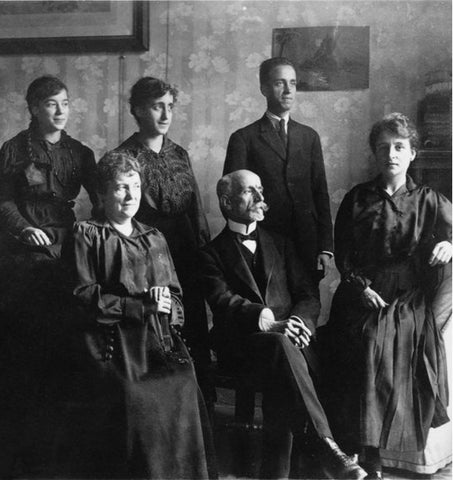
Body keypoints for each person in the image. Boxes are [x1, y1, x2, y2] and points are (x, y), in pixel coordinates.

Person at [56, 152, 216, 479]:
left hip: (156, 339)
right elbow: (82, 295)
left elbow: (175, 293)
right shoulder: (86, 234)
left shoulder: (154, 237)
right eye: (120, 188)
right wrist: (139, 306)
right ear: (101, 194)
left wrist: (168, 304)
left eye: (136, 186)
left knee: (184, 383)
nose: (131, 196)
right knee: (134, 394)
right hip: (109, 342)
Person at [199, 169, 366, 479]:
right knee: (279, 348)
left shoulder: (282, 243)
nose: (262, 199)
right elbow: (222, 301)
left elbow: (307, 294)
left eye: (262, 190)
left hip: (291, 343)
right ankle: (327, 449)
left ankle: (280, 472)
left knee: (311, 354)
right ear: (226, 201)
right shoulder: (210, 253)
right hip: (241, 345)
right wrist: (268, 321)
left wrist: (300, 324)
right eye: (251, 192)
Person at [324, 113, 451, 479]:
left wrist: (447, 243)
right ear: (375, 154)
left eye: (399, 147)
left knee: (376, 339)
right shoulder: (358, 198)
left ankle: (371, 455)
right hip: (362, 290)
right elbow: (344, 253)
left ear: (412, 153)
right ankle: (346, 448)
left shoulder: (427, 198)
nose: (391, 154)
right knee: (348, 338)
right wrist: (359, 286)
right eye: (384, 148)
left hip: (407, 295)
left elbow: (452, 231)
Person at [0, 75, 97, 476]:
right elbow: (2, 201)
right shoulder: (12, 151)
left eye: (65, 103)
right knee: (33, 310)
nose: (60, 111)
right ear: (34, 108)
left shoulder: (80, 152)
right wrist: (23, 228)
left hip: (67, 235)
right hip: (23, 241)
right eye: (51, 104)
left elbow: (102, 198)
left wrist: (100, 233)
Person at [113, 76, 212, 399]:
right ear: (139, 110)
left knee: (192, 322)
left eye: (170, 107)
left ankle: (200, 401)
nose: (166, 115)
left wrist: (205, 255)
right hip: (144, 254)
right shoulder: (125, 156)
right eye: (157, 107)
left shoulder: (180, 154)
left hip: (184, 250)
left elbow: (195, 210)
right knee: (155, 324)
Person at [223, 57, 333, 287]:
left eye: (292, 83)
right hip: (264, 243)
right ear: (264, 88)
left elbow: (320, 193)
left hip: (306, 243)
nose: (288, 90)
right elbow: (233, 200)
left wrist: (325, 247)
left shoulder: (309, 137)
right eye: (279, 83)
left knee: (306, 307)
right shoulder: (244, 138)